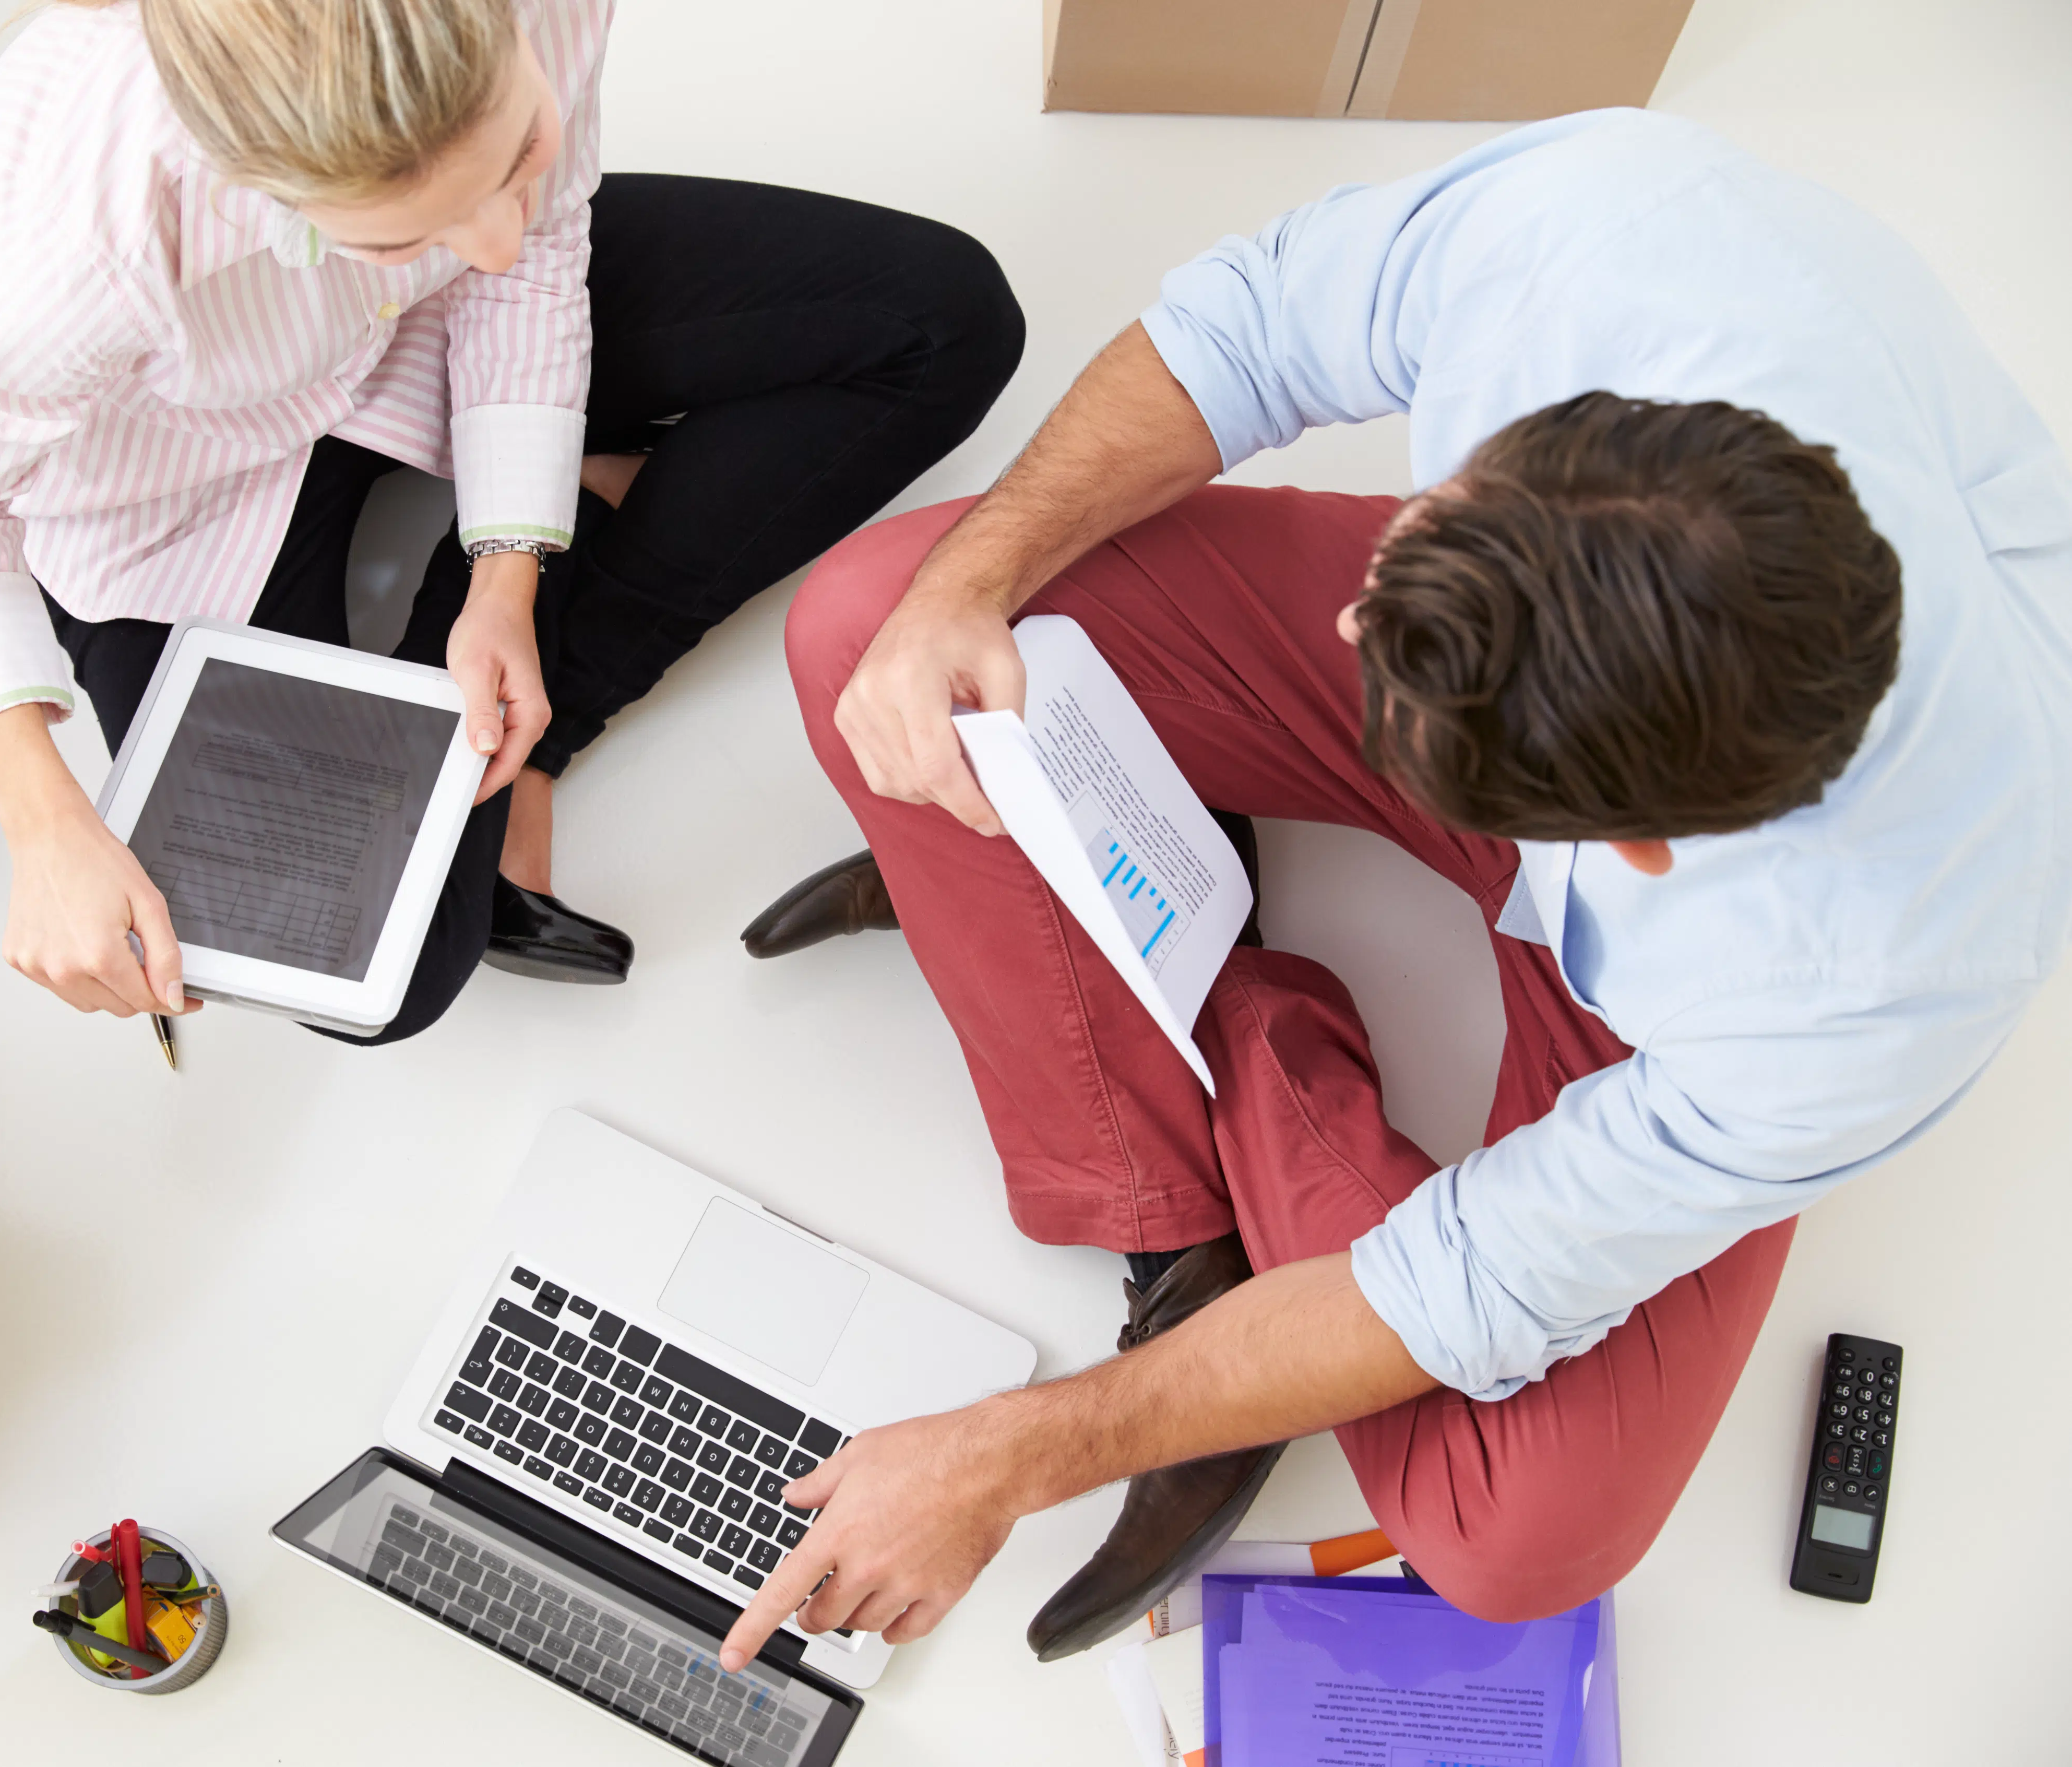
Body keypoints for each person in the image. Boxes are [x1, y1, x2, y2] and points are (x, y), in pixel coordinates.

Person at [719, 108, 2072, 1672]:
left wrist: (1018, 1451)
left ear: (1623, 848)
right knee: (872, 625)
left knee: (1519, 1540)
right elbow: (1237, 335)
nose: (1351, 636)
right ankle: (1172, 1213)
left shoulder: (1865, 990)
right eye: (1411, 556)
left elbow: (1465, 1285)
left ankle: (1176, 966)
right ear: (1538, 455)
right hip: (1583, 656)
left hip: (1673, 1004)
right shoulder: (1605, 239)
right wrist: (968, 587)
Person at [0, 0, 1021, 1041]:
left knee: (947, 322)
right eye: (390, 228)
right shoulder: (75, 233)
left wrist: (506, 575)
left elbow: (530, 269)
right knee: (373, 970)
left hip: (416, 340)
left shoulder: (521, 95)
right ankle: (576, 532)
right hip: (171, 496)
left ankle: (544, 712)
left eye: (518, 150)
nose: (496, 239)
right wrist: (43, 818)